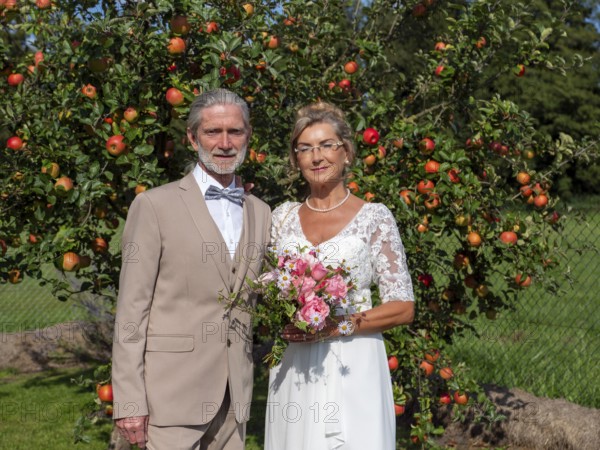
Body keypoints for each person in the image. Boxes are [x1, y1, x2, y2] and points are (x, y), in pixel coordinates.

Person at [112, 88, 271, 450]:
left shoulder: (260, 212)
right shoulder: (153, 206)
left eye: (235, 131)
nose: (225, 143)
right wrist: (130, 402)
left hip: (236, 399)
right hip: (169, 399)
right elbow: (131, 313)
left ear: (248, 135)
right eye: (213, 132)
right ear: (192, 137)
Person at [264, 102, 415, 449]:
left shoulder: (374, 218)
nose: (316, 157)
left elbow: (403, 307)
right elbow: (270, 287)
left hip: (353, 359)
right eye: (305, 149)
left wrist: (337, 326)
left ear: (346, 152)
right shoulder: (281, 218)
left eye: (326, 145)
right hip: (294, 359)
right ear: (295, 159)